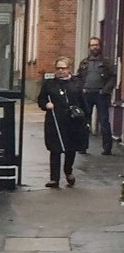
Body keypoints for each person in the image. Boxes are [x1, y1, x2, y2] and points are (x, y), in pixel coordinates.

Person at [38, 56, 88, 188]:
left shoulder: (76, 83)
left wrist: (85, 119)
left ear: (69, 69)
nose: (60, 71)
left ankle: (68, 171)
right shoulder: (49, 84)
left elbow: (83, 103)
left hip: (72, 122)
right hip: (55, 121)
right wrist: (46, 105)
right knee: (55, 149)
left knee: (70, 149)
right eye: (58, 68)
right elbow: (41, 99)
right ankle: (54, 178)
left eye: (63, 68)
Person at [76, 36, 116, 156]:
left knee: (104, 121)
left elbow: (113, 77)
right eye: (92, 45)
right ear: (89, 47)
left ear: (100, 46)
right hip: (86, 94)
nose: (94, 47)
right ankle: (82, 147)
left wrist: (105, 90)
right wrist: (80, 88)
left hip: (101, 95)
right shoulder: (84, 62)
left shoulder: (106, 62)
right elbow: (78, 77)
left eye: (96, 45)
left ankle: (107, 148)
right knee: (84, 121)